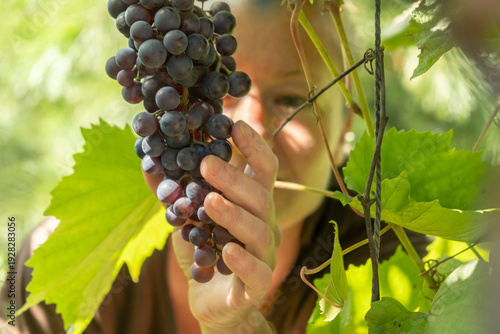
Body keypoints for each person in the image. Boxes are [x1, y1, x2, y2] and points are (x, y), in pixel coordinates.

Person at [0, 1, 427, 333]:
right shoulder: (54, 254)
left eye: (294, 100)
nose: (252, 129)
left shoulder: (395, 256)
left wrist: (233, 325)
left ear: (344, 126)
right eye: (220, 92)